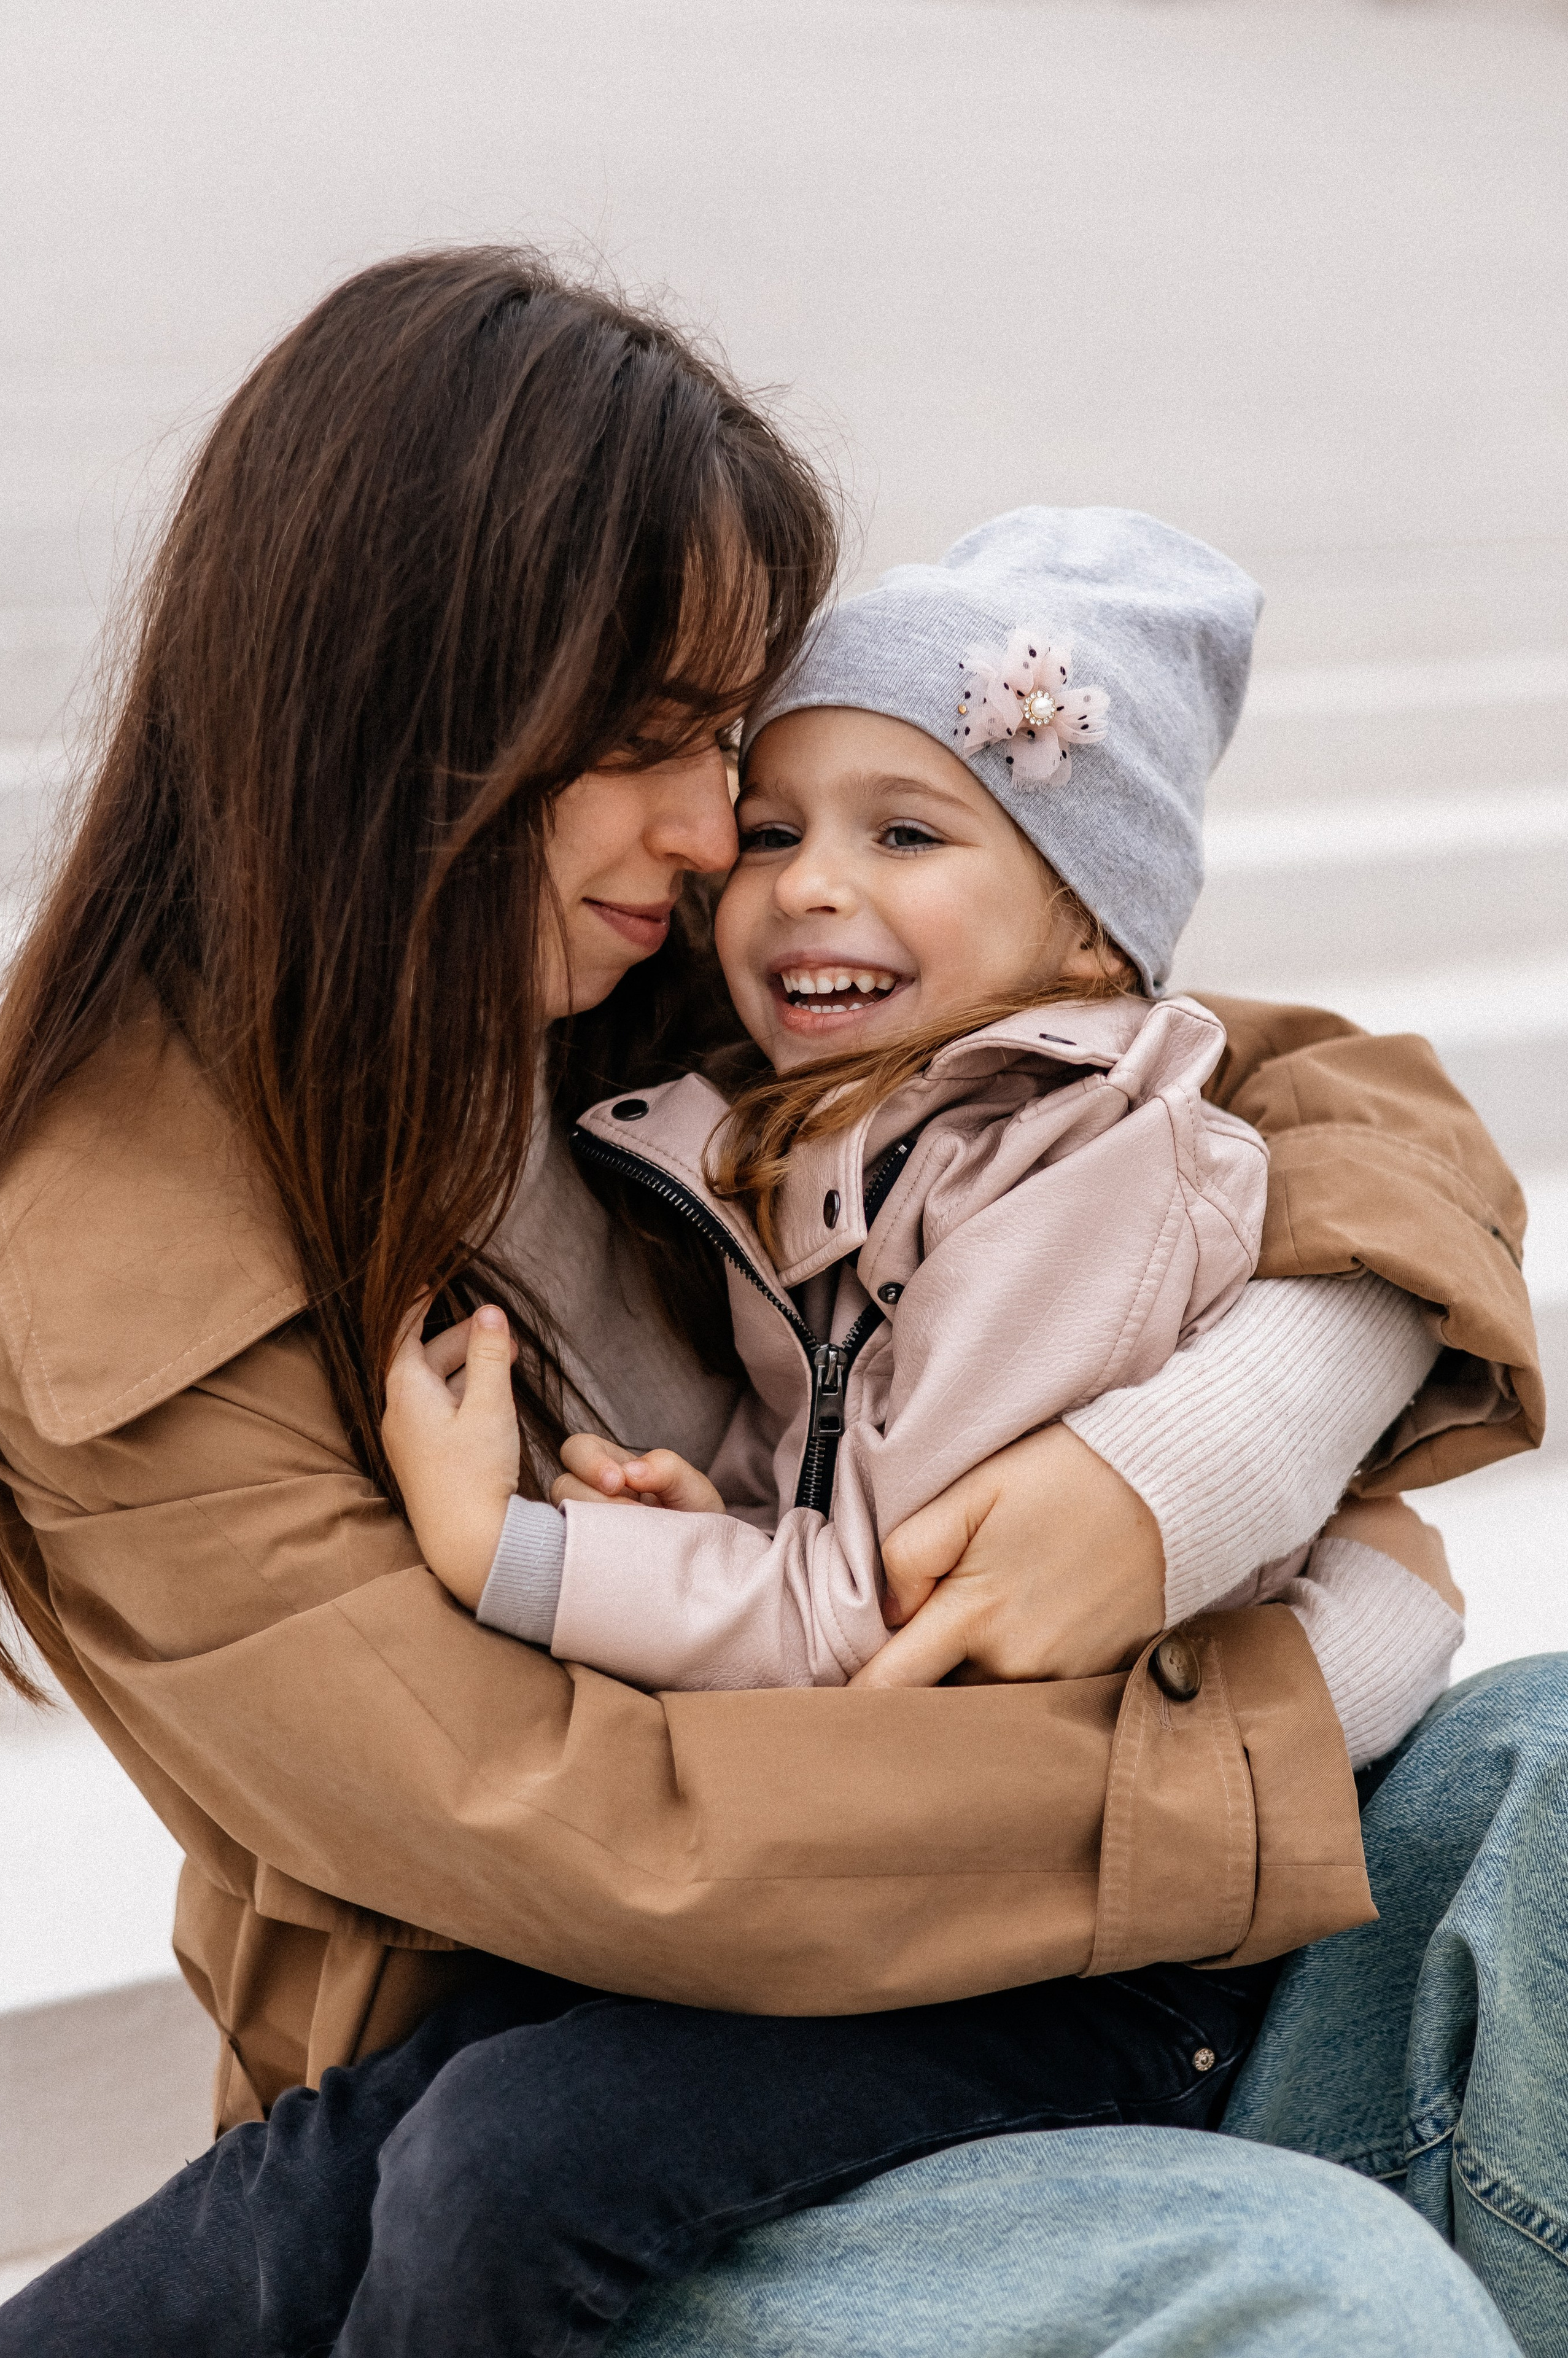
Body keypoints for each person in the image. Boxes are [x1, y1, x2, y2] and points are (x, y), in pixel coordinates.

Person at [0, 249, 1541, 2354]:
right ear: (412, 711)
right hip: (574, 2132)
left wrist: (1209, 1446)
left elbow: (1306, 1090)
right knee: (1308, 2294)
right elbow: (597, 1843)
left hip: (1024, 1975)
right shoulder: (109, 1267)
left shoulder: (636, 947)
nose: (730, 829)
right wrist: (1260, 1719)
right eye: (655, 739)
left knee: (1552, 1773)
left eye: (725, 736)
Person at [350, 507, 1472, 2352]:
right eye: (775, 828)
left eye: (907, 832)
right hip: (932, 1870)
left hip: (1063, 1931)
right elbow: (858, 1491)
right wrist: (693, 1499)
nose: (798, 881)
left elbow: (885, 1604)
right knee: (449, 2146)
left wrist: (528, 1558)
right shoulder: (880, 1127)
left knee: (515, 2153)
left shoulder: (1080, 1176)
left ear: (1092, 925)